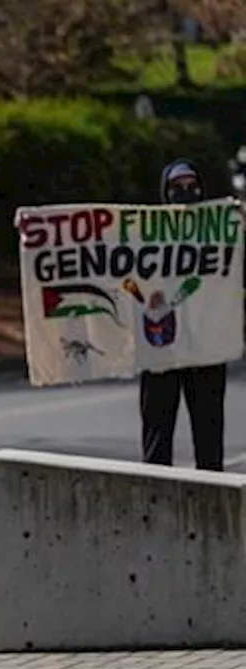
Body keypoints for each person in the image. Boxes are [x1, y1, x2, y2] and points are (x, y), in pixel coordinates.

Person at [139, 159, 227, 472]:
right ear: (165, 192)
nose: (187, 193)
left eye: (192, 186)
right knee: (157, 435)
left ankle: (213, 505)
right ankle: (155, 503)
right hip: (160, 345)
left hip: (206, 348)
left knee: (209, 436)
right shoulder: (145, 235)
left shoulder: (221, 232)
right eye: (177, 188)